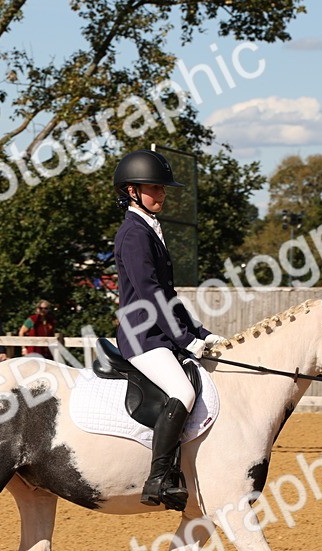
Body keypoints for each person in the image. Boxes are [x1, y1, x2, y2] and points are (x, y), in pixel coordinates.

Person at [112, 149, 227, 511]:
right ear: (131, 191)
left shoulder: (149, 228)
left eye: (162, 189)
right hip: (141, 336)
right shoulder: (133, 233)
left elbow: (168, 295)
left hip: (157, 333)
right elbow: (148, 294)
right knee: (182, 390)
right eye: (153, 189)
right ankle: (158, 477)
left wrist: (200, 332)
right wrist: (184, 340)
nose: (160, 195)